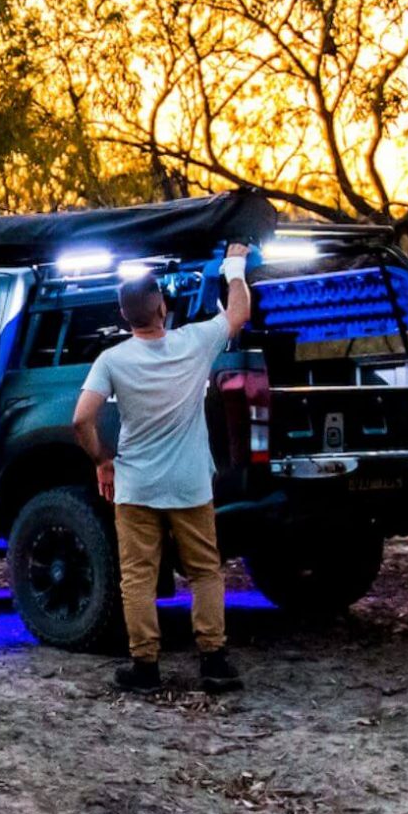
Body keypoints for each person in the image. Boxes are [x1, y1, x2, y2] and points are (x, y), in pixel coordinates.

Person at [73, 242, 253, 693]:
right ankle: (213, 660)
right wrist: (236, 266)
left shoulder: (112, 360)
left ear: (123, 316)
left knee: (137, 575)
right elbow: (237, 314)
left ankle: (146, 666)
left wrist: (102, 459)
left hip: (136, 484)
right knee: (205, 571)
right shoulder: (194, 342)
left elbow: (80, 419)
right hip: (190, 483)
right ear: (163, 307)